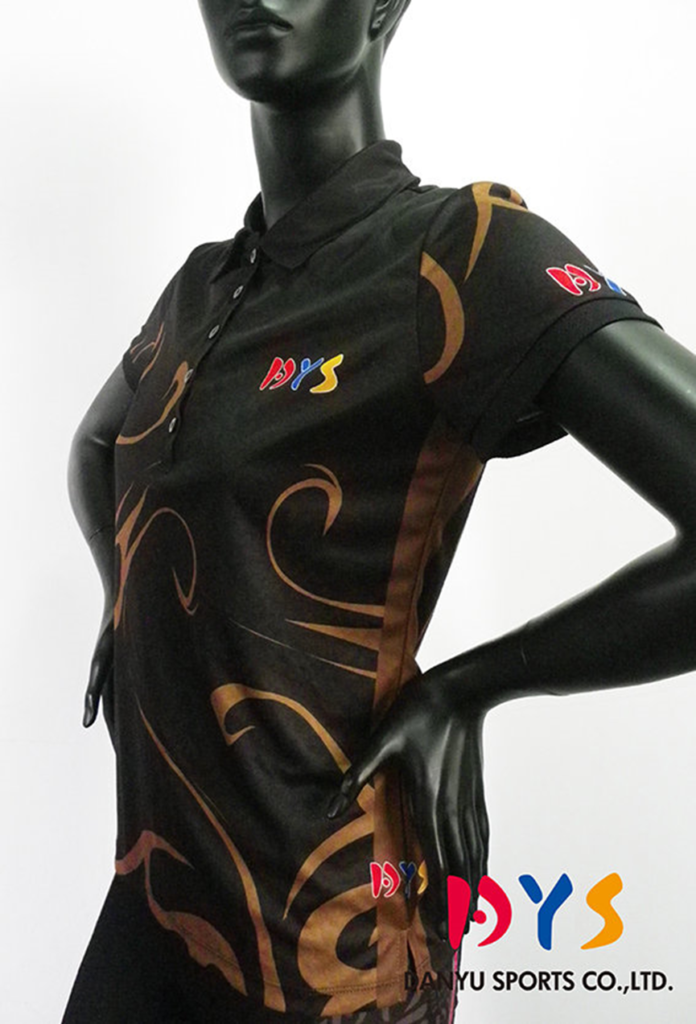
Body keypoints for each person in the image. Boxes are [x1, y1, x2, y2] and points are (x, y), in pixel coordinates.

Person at [63, 0, 696, 1021]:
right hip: (155, 895)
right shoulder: (200, 289)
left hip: (327, 944)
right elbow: (98, 447)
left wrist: (472, 686)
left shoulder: (460, 255)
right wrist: (121, 592)